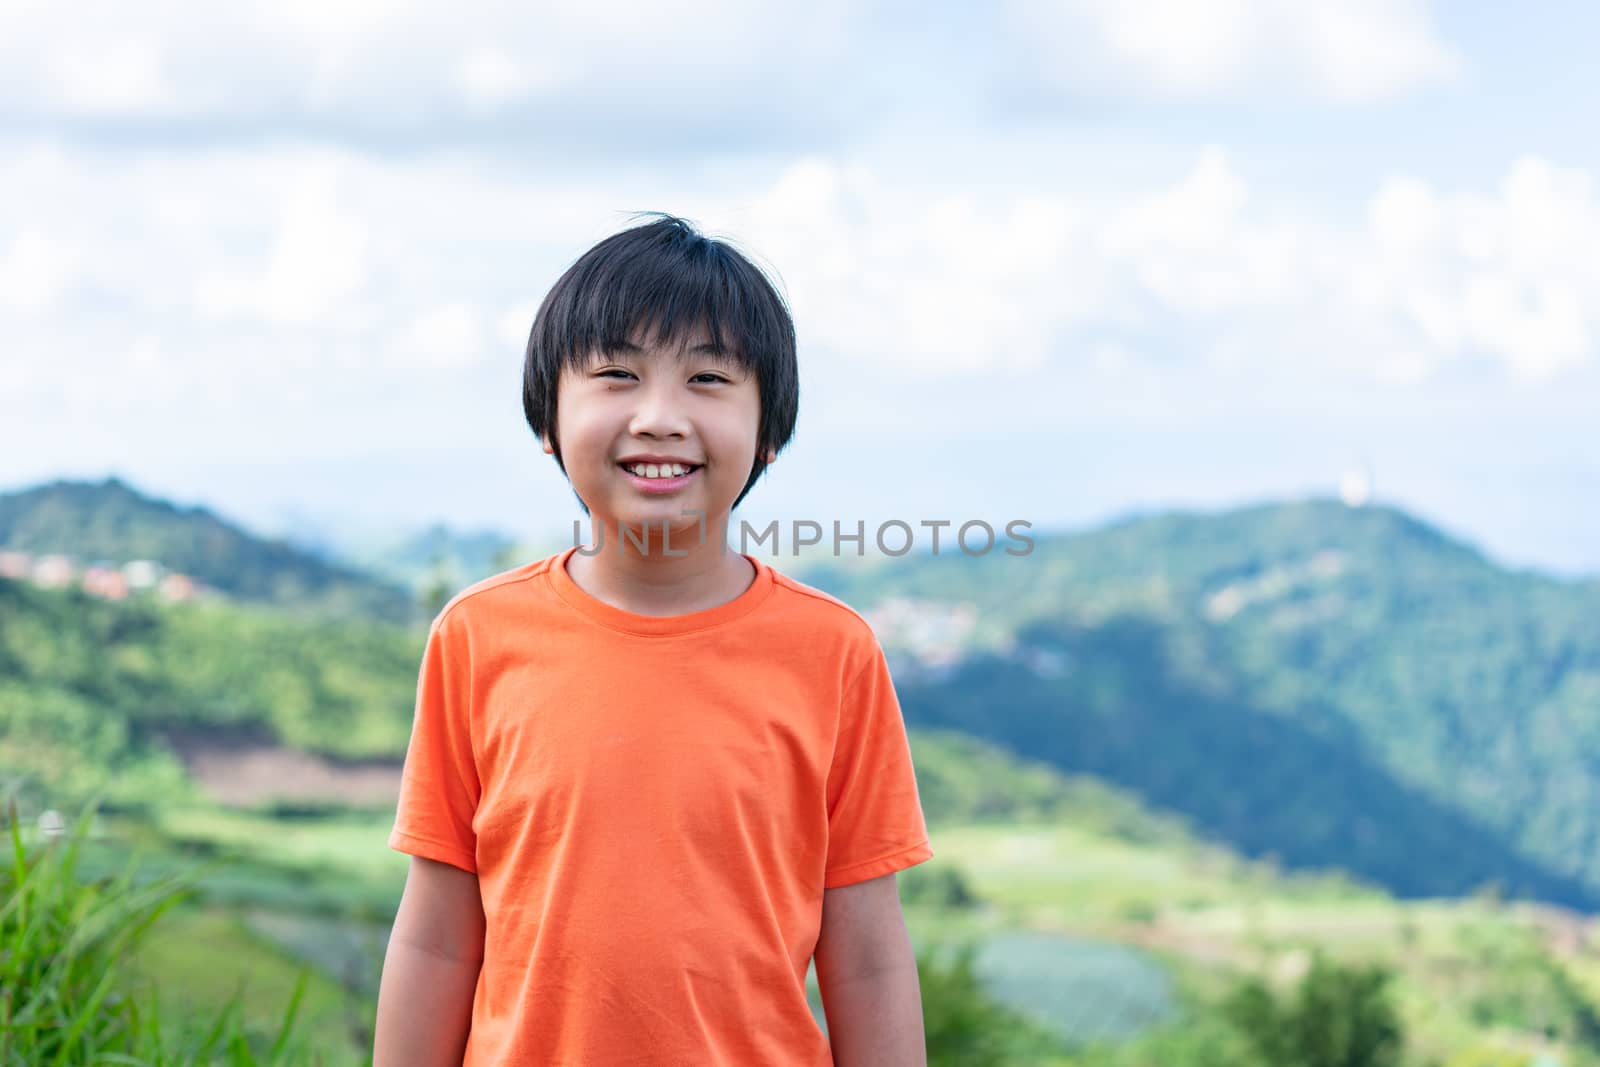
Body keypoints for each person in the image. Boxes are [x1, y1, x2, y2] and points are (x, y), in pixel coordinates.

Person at [372, 214, 933, 1065]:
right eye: (616, 375)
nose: (660, 416)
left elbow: (866, 960)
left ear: (769, 432)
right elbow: (440, 940)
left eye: (709, 377)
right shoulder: (478, 638)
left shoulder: (835, 653)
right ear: (548, 419)